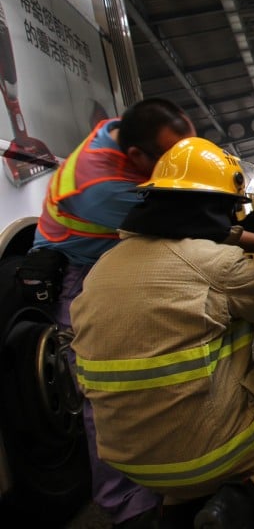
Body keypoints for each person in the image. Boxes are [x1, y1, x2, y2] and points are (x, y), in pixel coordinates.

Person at [70, 137, 254, 529]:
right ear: (216, 206)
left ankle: (181, 508)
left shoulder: (100, 270)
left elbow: (202, 237)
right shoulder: (216, 265)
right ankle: (240, 510)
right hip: (211, 452)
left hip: (133, 467)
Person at [28, 98, 196, 528]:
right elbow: (192, 227)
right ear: (138, 157)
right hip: (82, 269)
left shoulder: (133, 132)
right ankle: (126, 503)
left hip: (122, 249)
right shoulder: (98, 185)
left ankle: (170, 462)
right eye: (171, 158)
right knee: (101, 384)